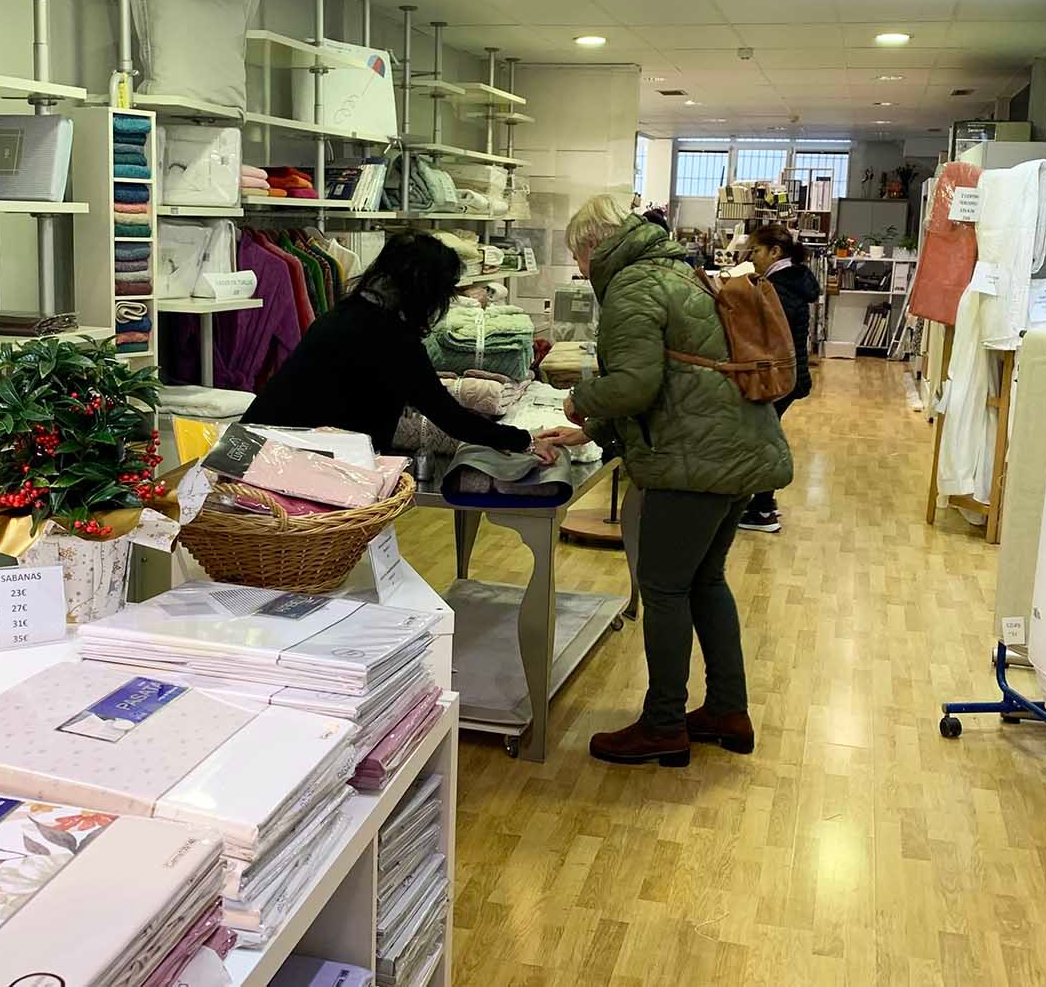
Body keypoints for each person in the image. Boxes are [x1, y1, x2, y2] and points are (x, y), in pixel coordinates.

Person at [537, 195, 793, 767]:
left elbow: (633, 385)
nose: (580, 270)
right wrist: (597, 431)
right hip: (737, 452)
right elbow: (677, 377)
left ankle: (663, 724)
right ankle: (729, 709)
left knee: (665, 588)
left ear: (595, 245)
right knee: (706, 581)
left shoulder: (632, 287)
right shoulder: (682, 273)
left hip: (690, 462)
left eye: (579, 256)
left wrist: (580, 401)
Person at [242, 230, 562, 464]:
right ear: (425, 290)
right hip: (294, 466)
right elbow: (448, 416)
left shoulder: (343, 315)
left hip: (256, 452)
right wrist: (524, 441)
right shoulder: (391, 339)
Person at [738, 224, 819, 533]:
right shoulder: (790, 281)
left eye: (756, 251)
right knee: (765, 434)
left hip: (778, 376)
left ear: (775, 251)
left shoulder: (777, 287)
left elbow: (764, 333)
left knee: (761, 438)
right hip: (787, 374)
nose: (752, 258)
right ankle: (763, 503)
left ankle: (762, 510)